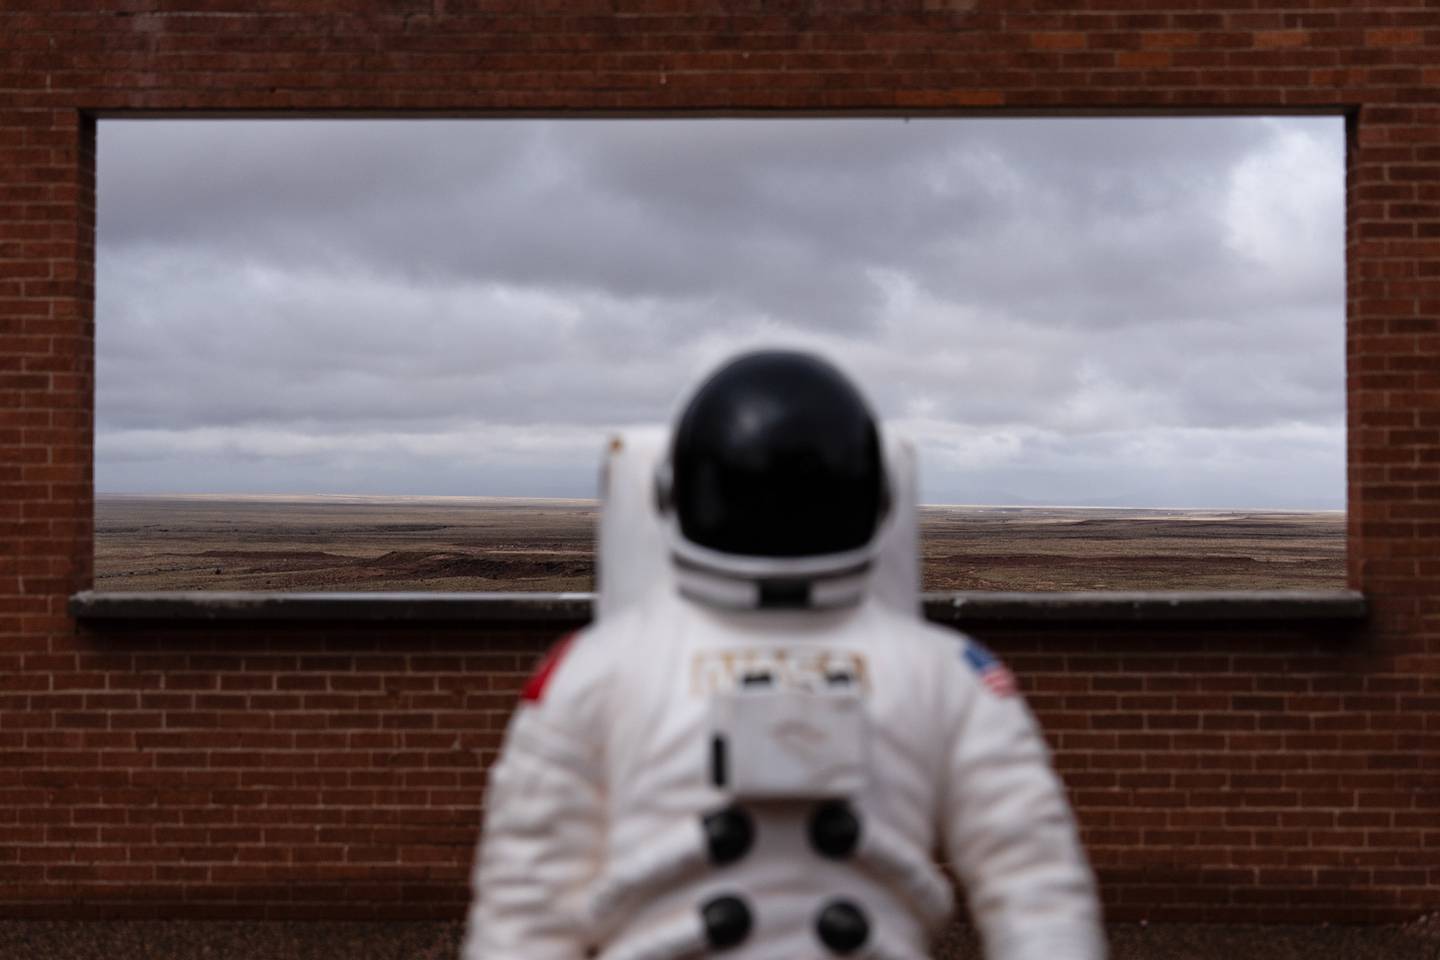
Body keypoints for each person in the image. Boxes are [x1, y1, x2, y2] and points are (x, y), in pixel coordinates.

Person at [462, 351, 1104, 960]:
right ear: (879, 499)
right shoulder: (949, 672)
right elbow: (1036, 887)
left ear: (669, 493)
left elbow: (527, 901)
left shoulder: (593, 668)